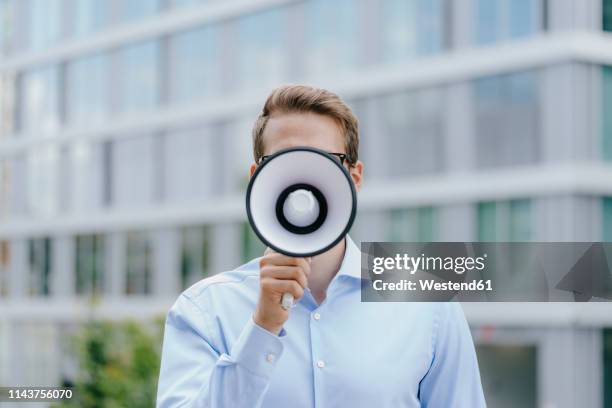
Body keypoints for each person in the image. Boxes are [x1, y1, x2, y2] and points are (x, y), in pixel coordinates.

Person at [156, 85, 486, 407]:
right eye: (283, 160)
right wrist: (262, 327)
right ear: (257, 176)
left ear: (354, 178)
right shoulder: (205, 310)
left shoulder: (428, 304)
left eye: (323, 160)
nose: (303, 175)